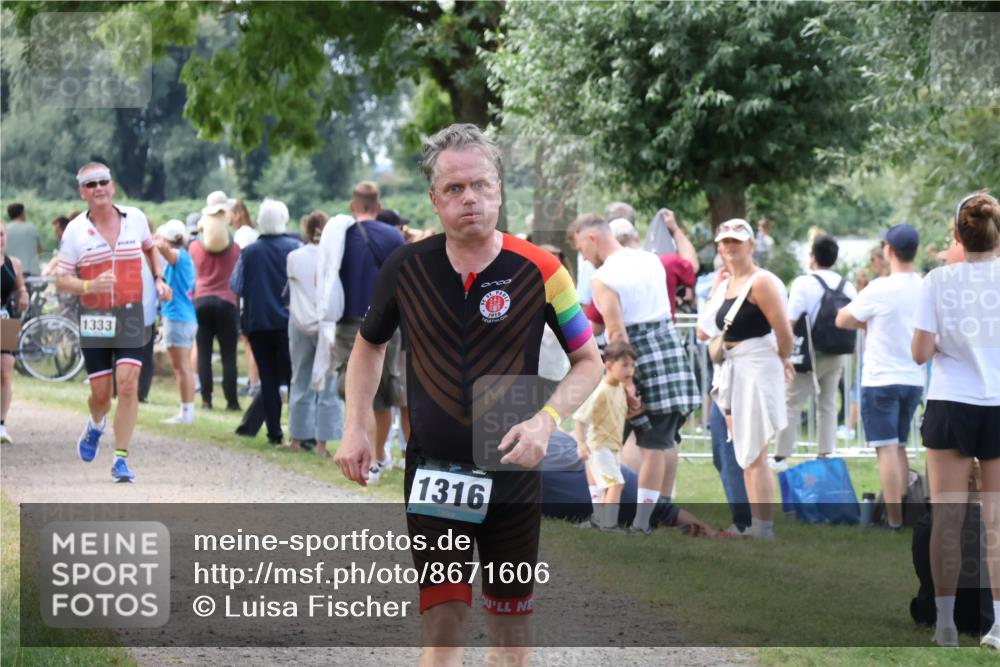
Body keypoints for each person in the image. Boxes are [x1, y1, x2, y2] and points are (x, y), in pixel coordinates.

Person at [334, 123, 601, 666]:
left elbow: (589, 361)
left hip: (511, 474)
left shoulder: (543, 270)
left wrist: (547, 420)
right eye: (454, 189)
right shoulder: (405, 267)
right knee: (444, 621)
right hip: (435, 471)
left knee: (510, 629)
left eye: (480, 184)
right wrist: (355, 427)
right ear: (434, 200)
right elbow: (368, 347)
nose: (470, 198)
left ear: (499, 189)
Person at [911, 192, 1000, 649]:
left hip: (950, 403)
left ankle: (945, 625)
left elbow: (920, 352)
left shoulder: (937, 280)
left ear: (957, 236)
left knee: (947, 518)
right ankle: (998, 626)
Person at [575, 213, 701, 534]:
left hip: (629, 361)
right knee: (655, 445)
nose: (583, 257)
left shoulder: (604, 277)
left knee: (597, 441)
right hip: (668, 356)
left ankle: (602, 518)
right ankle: (642, 524)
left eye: (581, 248)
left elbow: (617, 333)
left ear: (592, 239)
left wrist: (627, 383)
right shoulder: (651, 261)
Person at [55, 162, 171, 482]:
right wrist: (89, 286)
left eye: (103, 182)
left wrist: (159, 279)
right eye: (91, 184)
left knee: (129, 384)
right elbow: (62, 280)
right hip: (94, 316)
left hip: (131, 312)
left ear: (112, 185)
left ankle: (121, 458)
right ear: (82, 192)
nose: (98, 188)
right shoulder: (75, 230)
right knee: (102, 396)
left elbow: (151, 249)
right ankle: (95, 425)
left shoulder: (135, 218)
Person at [697, 219, 794, 539]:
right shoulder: (727, 283)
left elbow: (783, 331)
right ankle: (755, 524)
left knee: (754, 452)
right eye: (724, 241)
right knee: (744, 452)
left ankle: (762, 527)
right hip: (733, 368)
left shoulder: (761, 281)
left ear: (751, 245)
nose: (729, 246)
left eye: (736, 241)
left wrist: (782, 358)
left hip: (754, 367)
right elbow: (703, 330)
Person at [836, 223, 925, 529]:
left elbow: (842, 318)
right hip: (913, 378)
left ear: (888, 250)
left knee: (885, 448)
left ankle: (894, 520)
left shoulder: (880, 288)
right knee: (899, 446)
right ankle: (903, 511)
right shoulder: (925, 287)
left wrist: (867, 323)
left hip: (881, 378)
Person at [332, 181, 406, 483]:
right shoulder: (393, 236)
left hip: (348, 321)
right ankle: (378, 457)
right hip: (388, 323)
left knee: (354, 388)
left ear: (353, 206)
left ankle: (364, 452)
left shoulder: (340, 236)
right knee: (384, 392)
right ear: (378, 207)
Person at [775, 235, 856, 466]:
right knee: (828, 403)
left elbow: (790, 320)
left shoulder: (804, 283)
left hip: (809, 353)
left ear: (813, 257)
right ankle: (825, 453)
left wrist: (781, 350)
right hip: (837, 352)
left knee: (791, 402)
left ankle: (781, 455)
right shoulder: (847, 285)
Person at [231, 199, 301, 445]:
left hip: (258, 322)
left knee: (268, 379)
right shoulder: (295, 247)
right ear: (284, 219)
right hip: (289, 322)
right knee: (294, 378)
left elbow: (236, 285)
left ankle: (274, 433)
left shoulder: (249, 252)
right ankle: (298, 433)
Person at [286, 211, 342, 457]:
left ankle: (297, 439)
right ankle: (322, 444)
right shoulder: (335, 257)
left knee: (300, 378)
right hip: (329, 324)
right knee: (329, 382)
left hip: (299, 321)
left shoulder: (294, 256)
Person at [573, 341, 639, 530]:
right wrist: (581, 444)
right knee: (616, 484)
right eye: (624, 365)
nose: (630, 371)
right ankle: (609, 525)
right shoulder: (600, 391)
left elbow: (617, 414)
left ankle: (598, 521)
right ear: (609, 365)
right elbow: (580, 418)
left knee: (606, 486)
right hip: (599, 447)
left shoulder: (620, 389)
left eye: (632, 365)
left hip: (613, 446)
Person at [190, 197, 242, 411]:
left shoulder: (194, 248)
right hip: (226, 303)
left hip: (201, 302)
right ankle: (232, 401)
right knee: (229, 355)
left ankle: (206, 400)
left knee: (204, 353)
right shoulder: (235, 249)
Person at [156, 220, 198, 424]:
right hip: (186, 317)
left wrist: (153, 240)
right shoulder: (186, 257)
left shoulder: (178, 256)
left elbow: (164, 250)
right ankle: (187, 411)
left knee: (181, 368)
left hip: (177, 318)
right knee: (184, 368)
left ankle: (186, 413)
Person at [228, 197, 261, 397]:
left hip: (245, 293)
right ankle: (253, 380)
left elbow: (239, 265)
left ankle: (254, 382)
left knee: (248, 338)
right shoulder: (251, 233)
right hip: (254, 292)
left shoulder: (242, 235)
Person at [1, 222, 30, 445]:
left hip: (4, 321)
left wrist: (23, 294)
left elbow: (20, 287)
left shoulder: (14, 264)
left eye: (1, 234)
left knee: (5, 370)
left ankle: (1, 424)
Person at [5, 203, 42, 278]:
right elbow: (40, 251)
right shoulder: (32, 228)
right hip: (31, 273)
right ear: (22, 214)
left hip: (10, 272)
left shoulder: (4, 230)